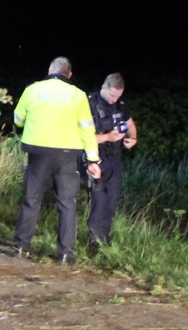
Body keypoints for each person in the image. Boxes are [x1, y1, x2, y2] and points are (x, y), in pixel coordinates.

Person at [12, 56, 101, 264]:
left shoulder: (32, 89)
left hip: (37, 153)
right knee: (67, 203)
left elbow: (18, 119)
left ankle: (21, 247)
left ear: (50, 69)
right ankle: (64, 254)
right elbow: (88, 130)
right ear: (69, 74)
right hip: (67, 156)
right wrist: (93, 160)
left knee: (31, 200)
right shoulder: (78, 96)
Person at [85, 72, 137, 248]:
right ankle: (94, 243)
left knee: (111, 200)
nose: (115, 99)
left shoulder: (120, 105)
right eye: (113, 95)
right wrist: (107, 137)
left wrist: (133, 139)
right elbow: (82, 138)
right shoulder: (89, 104)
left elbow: (129, 124)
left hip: (114, 158)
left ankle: (105, 241)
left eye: (118, 96)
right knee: (98, 201)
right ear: (103, 87)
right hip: (94, 157)